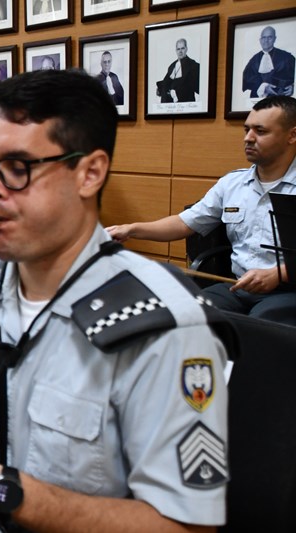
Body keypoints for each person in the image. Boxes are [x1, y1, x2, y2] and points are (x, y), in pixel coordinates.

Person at [0, 69, 231, 532]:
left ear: (90, 173)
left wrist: (1, 492)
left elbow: (189, 526)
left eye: (19, 168)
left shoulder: (168, 327)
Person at [107, 95, 296, 326]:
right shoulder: (232, 183)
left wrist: (279, 273)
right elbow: (184, 223)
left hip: (287, 292)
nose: (248, 138)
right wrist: (131, 229)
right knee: (183, 315)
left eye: (260, 131)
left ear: (292, 135)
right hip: (238, 287)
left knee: (257, 332)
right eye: (246, 129)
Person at [242, 26, 295, 98]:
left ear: (274, 39)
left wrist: (293, 87)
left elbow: (292, 77)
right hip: (258, 100)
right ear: (260, 40)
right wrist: (263, 87)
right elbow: (246, 81)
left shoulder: (286, 57)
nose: (266, 41)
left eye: (269, 37)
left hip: (280, 100)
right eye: (264, 38)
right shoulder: (254, 59)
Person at [157, 38, 200, 103]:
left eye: (182, 48)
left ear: (186, 49)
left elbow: (195, 86)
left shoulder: (193, 65)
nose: (180, 51)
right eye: (178, 49)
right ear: (176, 50)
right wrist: (160, 89)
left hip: (185, 102)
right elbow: (166, 81)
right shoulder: (172, 66)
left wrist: (176, 92)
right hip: (170, 103)